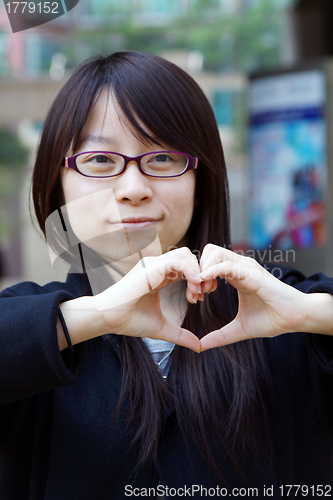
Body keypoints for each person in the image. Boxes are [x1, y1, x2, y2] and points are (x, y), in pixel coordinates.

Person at [0, 51, 332, 500]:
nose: (134, 189)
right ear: (56, 180)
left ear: (202, 179)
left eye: (163, 158)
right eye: (99, 160)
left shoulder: (284, 312)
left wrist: (311, 314)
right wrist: (95, 315)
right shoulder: (31, 325)